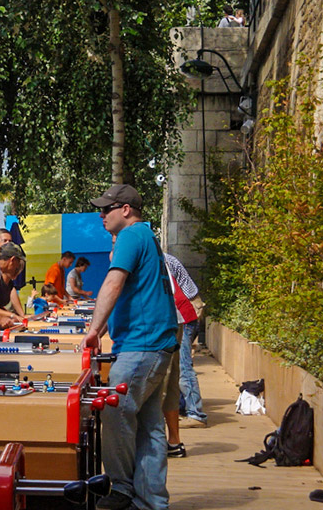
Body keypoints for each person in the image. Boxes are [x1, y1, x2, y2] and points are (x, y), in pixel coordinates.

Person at [83, 184, 178, 510]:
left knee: (114, 409)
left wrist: (94, 330)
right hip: (155, 343)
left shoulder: (130, 236)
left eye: (106, 209)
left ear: (125, 210)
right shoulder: (145, 237)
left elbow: (113, 282)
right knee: (149, 426)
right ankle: (152, 502)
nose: (101, 215)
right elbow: (131, 291)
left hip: (142, 344)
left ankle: (122, 489)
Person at [164, 253, 208, 429]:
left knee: (183, 366)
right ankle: (184, 408)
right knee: (177, 366)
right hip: (184, 313)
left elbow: (179, 292)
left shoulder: (161, 260)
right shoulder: (166, 258)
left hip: (183, 315)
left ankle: (196, 414)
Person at [0, 229, 27, 319]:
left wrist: (22, 315)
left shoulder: (7, 274)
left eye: (10, 241)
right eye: (5, 241)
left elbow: (11, 290)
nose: (8, 243)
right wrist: (12, 315)